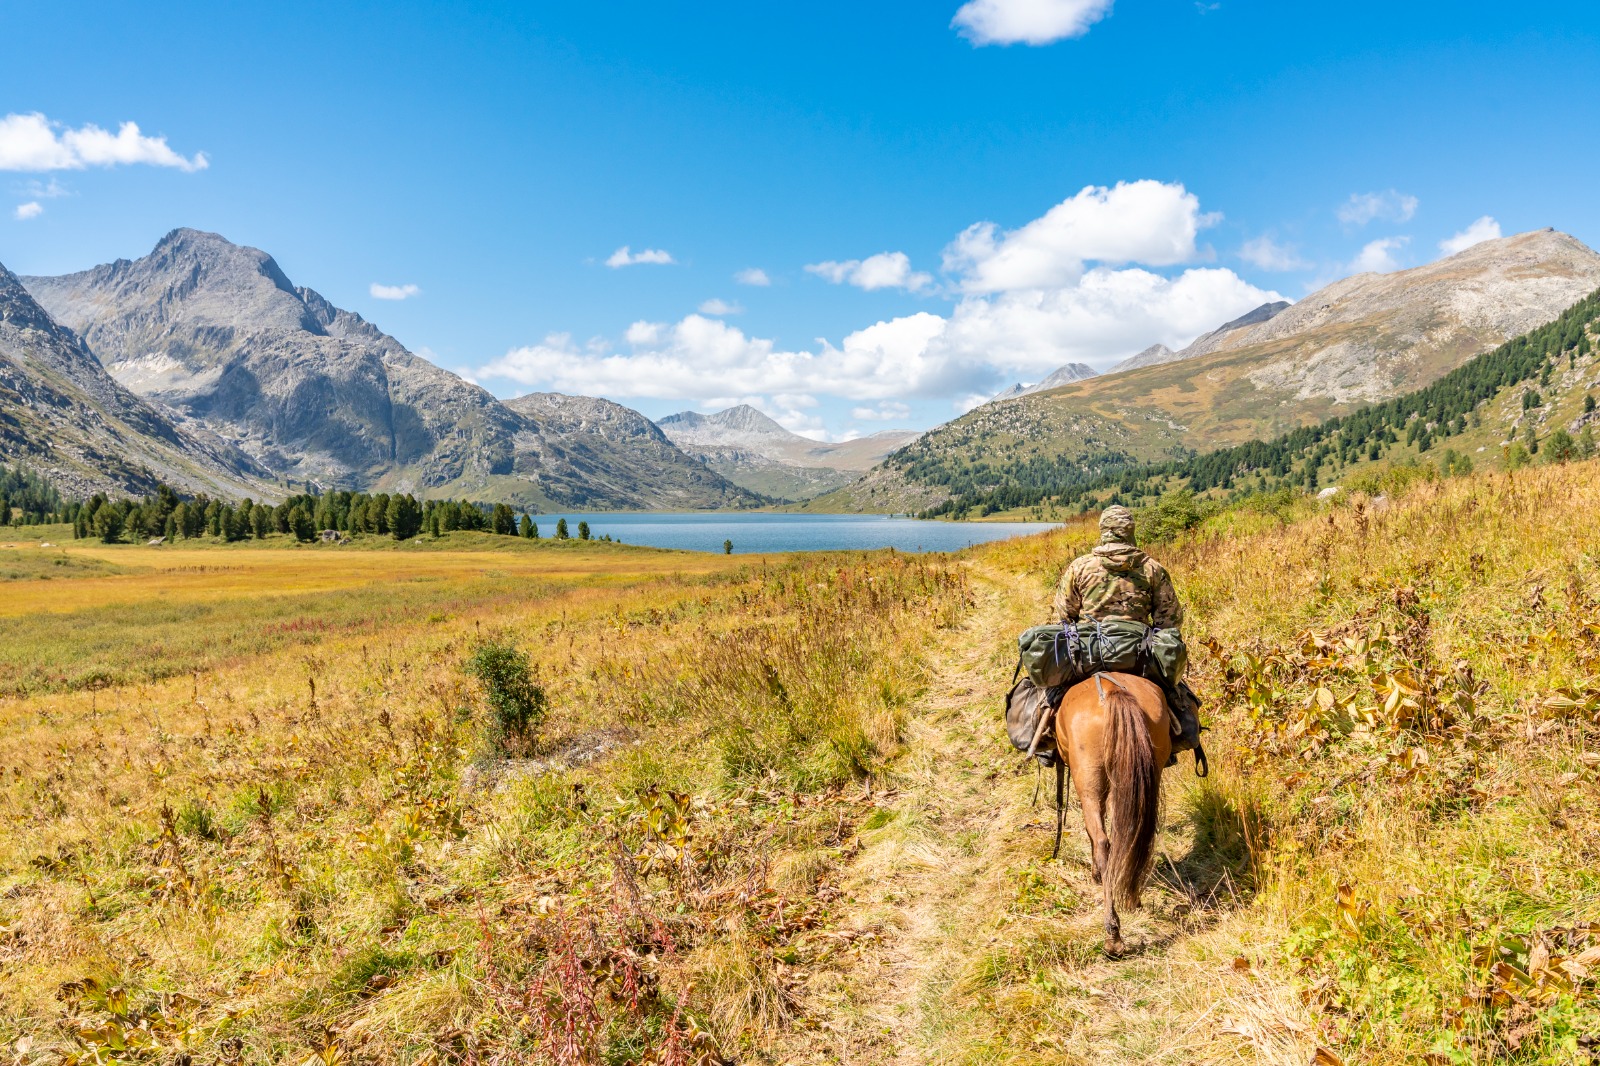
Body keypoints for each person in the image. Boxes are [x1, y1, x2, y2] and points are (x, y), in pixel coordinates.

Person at [1052, 505, 1203, 763]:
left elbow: (1064, 615)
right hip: (1139, 657)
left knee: (1050, 695)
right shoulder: (1152, 569)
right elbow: (1170, 620)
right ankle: (1176, 739)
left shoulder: (1080, 567)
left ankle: (1047, 744)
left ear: (1103, 531)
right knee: (1179, 697)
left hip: (1088, 655)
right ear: (1131, 532)